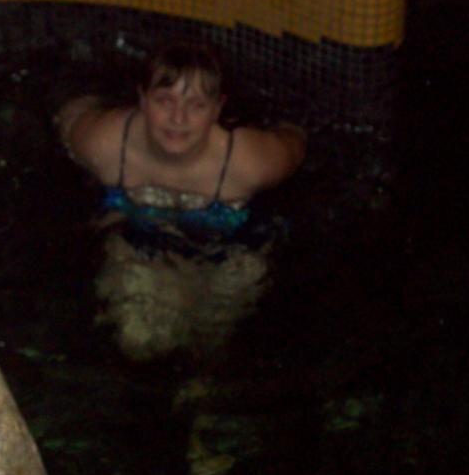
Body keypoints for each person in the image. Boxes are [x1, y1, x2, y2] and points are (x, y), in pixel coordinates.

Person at [55, 43, 306, 360]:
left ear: (217, 109)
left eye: (197, 105)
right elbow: (70, 113)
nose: (178, 118)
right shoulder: (106, 146)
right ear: (142, 99)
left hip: (233, 244)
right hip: (138, 237)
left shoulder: (247, 164)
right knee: (139, 339)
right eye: (165, 100)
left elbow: (295, 138)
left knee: (214, 331)